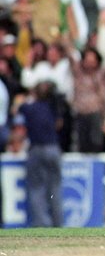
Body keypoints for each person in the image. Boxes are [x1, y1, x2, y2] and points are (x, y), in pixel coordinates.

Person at [18, 81, 63, 227]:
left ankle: (42, 224)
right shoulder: (54, 107)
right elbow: (59, 124)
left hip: (36, 149)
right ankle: (58, 223)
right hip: (53, 148)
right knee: (55, 188)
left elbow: (17, 108)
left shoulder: (29, 108)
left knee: (37, 188)